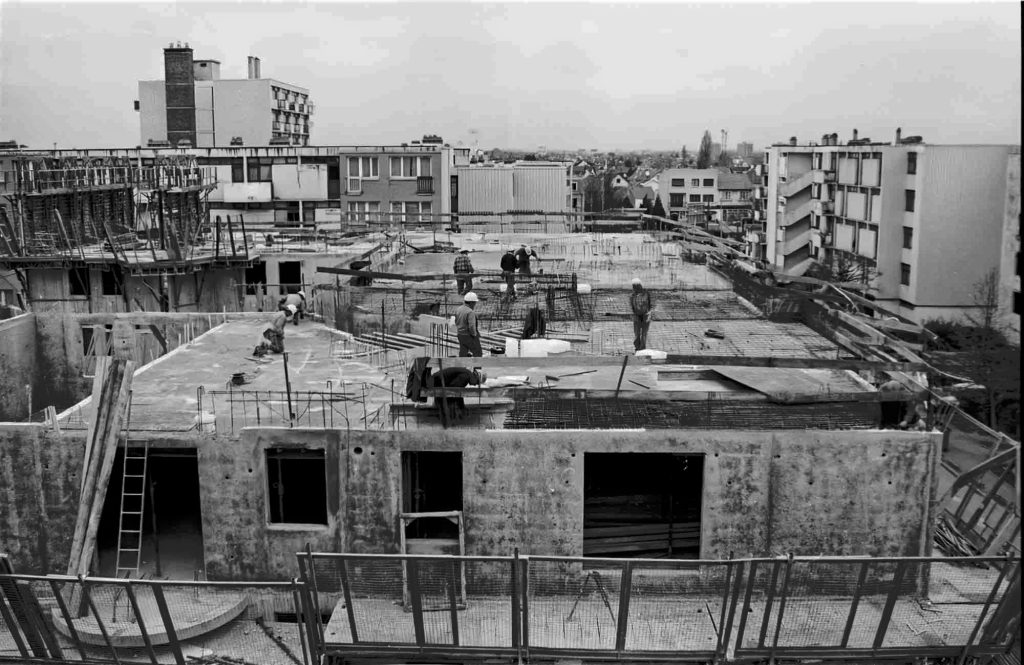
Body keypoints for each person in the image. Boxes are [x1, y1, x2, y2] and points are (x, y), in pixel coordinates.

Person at [454, 292, 483, 357]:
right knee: (478, 352)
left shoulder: (458, 309)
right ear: (471, 303)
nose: (475, 305)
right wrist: (474, 335)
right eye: (474, 303)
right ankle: (477, 364)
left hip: (460, 335)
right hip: (469, 336)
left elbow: (456, 321)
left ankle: (462, 364)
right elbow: (472, 326)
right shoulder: (470, 312)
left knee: (463, 352)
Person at [629, 278, 653, 352]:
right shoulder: (632, 295)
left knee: (644, 333)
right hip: (636, 315)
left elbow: (651, 304)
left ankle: (642, 348)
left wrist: (649, 313)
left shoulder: (646, 293)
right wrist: (633, 314)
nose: (635, 288)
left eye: (637, 286)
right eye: (634, 286)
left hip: (646, 315)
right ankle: (637, 346)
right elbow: (631, 306)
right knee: (637, 333)